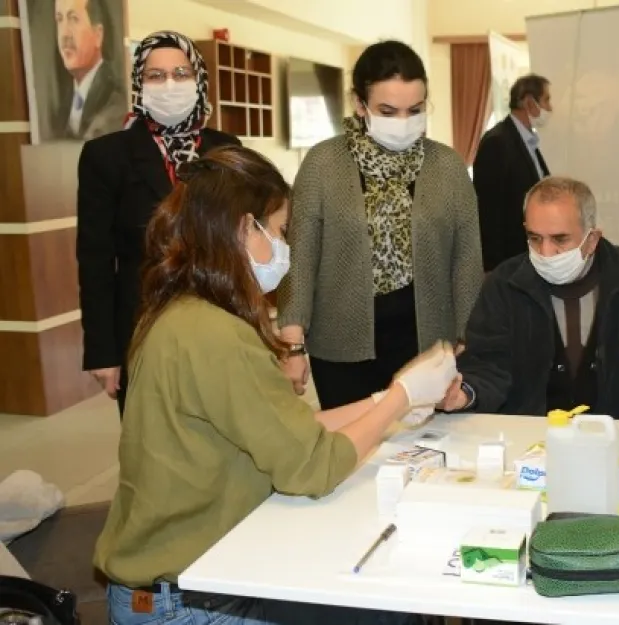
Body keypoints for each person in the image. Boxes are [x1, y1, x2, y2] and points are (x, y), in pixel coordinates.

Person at [93, 145, 453, 625]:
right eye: (280, 233)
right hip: (190, 600)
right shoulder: (216, 334)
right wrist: (401, 396)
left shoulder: (180, 312)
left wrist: (378, 402)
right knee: (384, 607)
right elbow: (312, 466)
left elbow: (282, 429)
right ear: (245, 228)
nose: (284, 250)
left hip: (169, 586)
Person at [278, 40, 483, 409]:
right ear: (360, 104)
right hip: (342, 345)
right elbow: (301, 260)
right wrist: (292, 345)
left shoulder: (448, 166)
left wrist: (469, 342)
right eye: (388, 110)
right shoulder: (323, 163)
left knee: (429, 450)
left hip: (427, 345)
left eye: (415, 110)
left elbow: (466, 263)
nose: (403, 122)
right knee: (351, 450)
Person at [77, 31, 239, 415]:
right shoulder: (106, 155)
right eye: (156, 75)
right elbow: (95, 259)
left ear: (198, 80)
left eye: (182, 73)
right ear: (139, 83)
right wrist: (102, 351)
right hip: (142, 326)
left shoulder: (226, 148)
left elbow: (240, 243)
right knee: (153, 445)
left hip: (218, 318)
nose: (170, 84)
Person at [438, 177, 619, 421]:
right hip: (529, 444)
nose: (546, 252)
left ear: (591, 239)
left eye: (560, 239)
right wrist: (465, 395)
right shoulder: (504, 284)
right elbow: (488, 363)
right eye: (534, 238)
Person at [473, 74, 553, 271]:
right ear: (528, 101)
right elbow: (489, 211)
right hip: (508, 259)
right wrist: (493, 268)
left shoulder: (528, 142)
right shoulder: (498, 142)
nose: (550, 108)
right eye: (546, 100)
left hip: (531, 255)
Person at [52, 0, 127, 141]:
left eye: (74, 19)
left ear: (98, 35)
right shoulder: (63, 107)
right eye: (59, 20)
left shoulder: (116, 97)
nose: (64, 33)